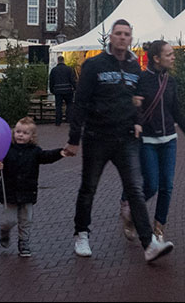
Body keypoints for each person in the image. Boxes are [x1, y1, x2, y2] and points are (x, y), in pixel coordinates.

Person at [64, 19, 173, 263]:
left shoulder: (136, 69)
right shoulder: (93, 65)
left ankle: (149, 244)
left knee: (135, 190)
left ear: (131, 39)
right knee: (89, 188)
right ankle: (81, 233)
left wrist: (137, 120)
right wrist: (74, 138)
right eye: (118, 33)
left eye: (126, 34)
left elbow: (136, 100)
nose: (122, 38)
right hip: (97, 137)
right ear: (111, 38)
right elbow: (80, 103)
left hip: (126, 139)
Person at [123, 39, 185, 242]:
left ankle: (159, 228)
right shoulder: (141, 80)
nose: (173, 57)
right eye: (169, 54)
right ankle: (133, 212)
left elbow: (177, 112)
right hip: (148, 140)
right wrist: (135, 118)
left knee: (167, 186)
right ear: (156, 58)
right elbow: (133, 107)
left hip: (169, 139)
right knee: (151, 184)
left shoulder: (171, 82)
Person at [0, 116, 65, 258]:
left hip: (28, 192)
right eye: (18, 131)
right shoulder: (5, 149)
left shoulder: (35, 151)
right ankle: (4, 231)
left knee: (26, 220)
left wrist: (60, 152)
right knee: (8, 220)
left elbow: (46, 156)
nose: (20, 135)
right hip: (10, 192)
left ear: (31, 136)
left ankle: (24, 242)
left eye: (25, 133)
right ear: (13, 133)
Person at [48, 55, 76, 127]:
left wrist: (52, 90)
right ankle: (69, 120)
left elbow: (51, 81)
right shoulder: (69, 69)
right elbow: (72, 80)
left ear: (58, 61)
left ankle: (58, 122)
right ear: (63, 60)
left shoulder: (54, 70)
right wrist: (75, 88)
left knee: (58, 107)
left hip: (58, 91)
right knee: (69, 105)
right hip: (68, 90)